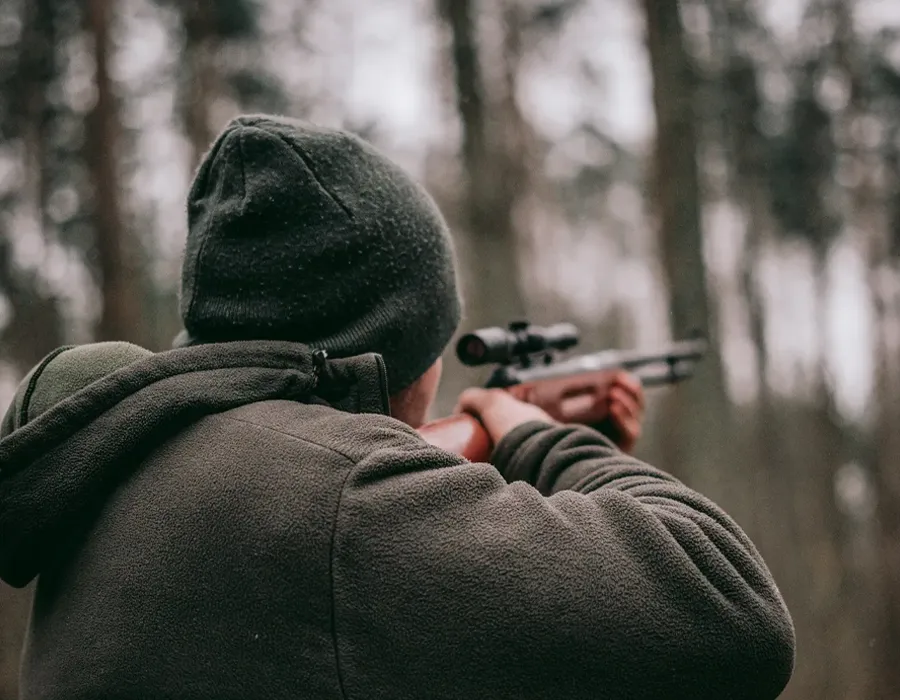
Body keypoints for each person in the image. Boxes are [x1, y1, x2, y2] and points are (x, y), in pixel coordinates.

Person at [0, 115, 794, 700]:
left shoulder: (124, 455)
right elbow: (732, 614)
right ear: (391, 354)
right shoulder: (337, 497)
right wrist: (542, 442)